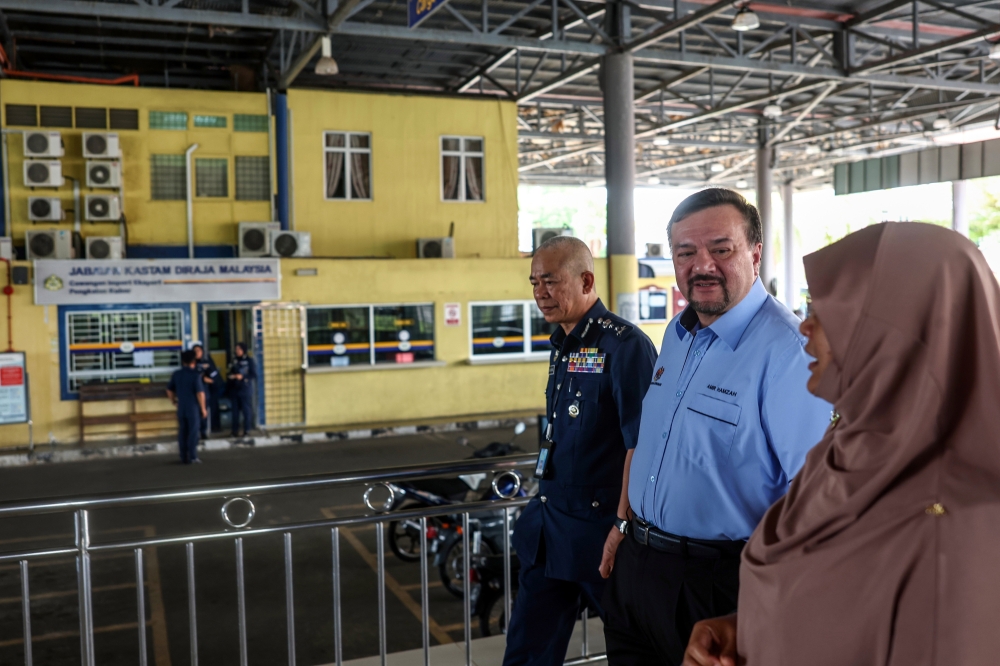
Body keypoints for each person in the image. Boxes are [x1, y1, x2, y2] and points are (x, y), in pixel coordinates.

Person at [684, 222, 1000, 666]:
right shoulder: (847, 446)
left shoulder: (962, 521)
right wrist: (746, 627)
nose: (807, 326)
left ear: (895, 331)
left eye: (830, 315)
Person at [601, 188, 832, 666]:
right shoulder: (678, 334)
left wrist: (768, 609)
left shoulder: (789, 352)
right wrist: (624, 524)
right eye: (686, 252)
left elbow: (811, 505)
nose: (701, 265)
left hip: (720, 585)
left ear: (755, 252)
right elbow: (653, 444)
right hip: (637, 568)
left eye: (721, 249)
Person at [503, 236, 658, 666]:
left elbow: (640, 444)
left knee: (634, 649)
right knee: (526, 653)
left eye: (550, 281)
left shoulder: (625, 346)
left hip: (599, 534)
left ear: (586, 279)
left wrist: (622, 526)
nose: (539, 293)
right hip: (550, 528)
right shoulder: (561, 345)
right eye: (534, 282)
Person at [166, 349, 207, 464]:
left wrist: (174, 402)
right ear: (193, 361)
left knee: (183, 432)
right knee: (193, 433)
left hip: (181, 407)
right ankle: (193, 456)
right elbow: (200, 394)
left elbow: (169, 390)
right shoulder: (195, 376)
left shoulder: (176, 374)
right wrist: (203, 408)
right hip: (193, 408)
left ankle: (183, 456)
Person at [228, 342, 257, 437]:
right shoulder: (233, 361)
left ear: (243, 350)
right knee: (235, 412)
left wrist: (243, 377)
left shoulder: (249, 361)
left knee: (246, 411)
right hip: (234, 389)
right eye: (236, 349)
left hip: (245, 389)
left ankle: (247, 430)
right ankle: (234, 431)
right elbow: (228, 373)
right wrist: (233, 376)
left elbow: (253, 374)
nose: (237, 351)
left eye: (239, 349)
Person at [192, 343, 220, 438]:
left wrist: (205, 378)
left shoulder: (207, 362)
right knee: (194, 413)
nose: (197, 353)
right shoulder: (191, 364)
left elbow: (214, 377)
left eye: (198, 351)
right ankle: (196, 432)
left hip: (204, 391)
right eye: (195, 351)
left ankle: (203, 432)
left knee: (203, 412)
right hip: (193, 393)